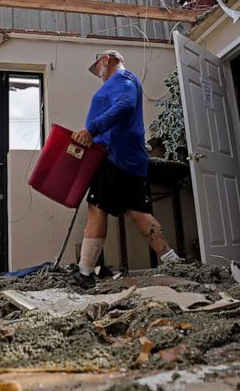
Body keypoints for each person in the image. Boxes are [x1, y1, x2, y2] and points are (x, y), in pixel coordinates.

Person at [69, 50, 181, 288]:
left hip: (116, 157)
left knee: (97, 207)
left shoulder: (123, 79)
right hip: (127, 158)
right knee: (136, 210)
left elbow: (126, 104)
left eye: (98, 67)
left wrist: (92, 129)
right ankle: (172, 261)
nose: (98, 73)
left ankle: (85, 272)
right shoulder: (122, 82)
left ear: (106, 60)